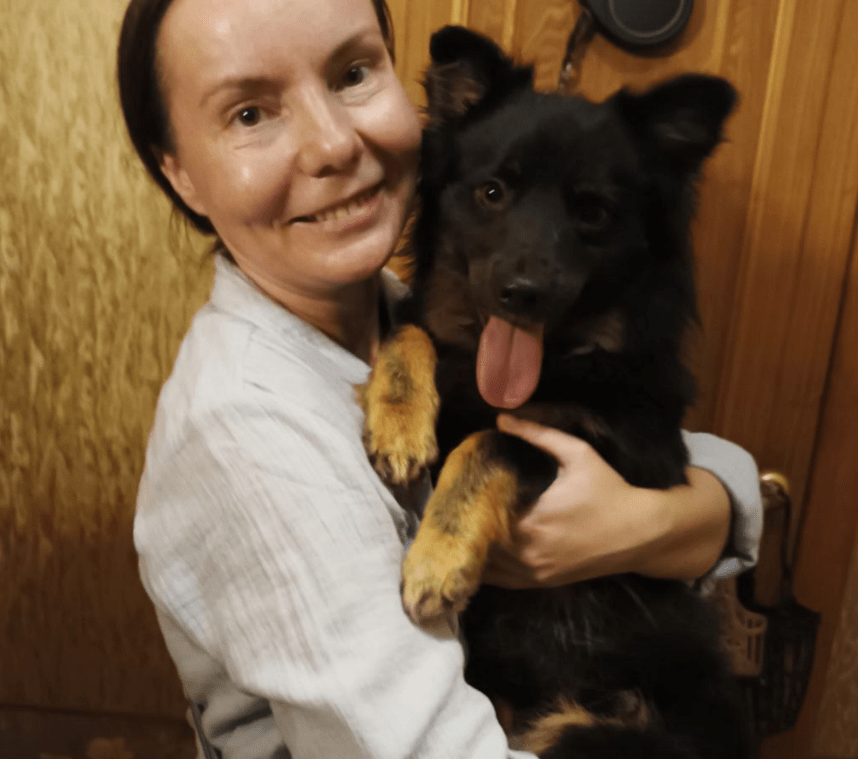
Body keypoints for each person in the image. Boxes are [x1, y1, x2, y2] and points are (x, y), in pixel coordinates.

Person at [118, 0, 762, 756]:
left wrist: (664, 524)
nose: (332, 144)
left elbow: (677, 452)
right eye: (250, 113)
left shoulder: (399, 315)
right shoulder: (247, 433)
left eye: (352, 73)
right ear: (180, 172)